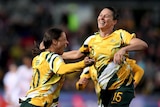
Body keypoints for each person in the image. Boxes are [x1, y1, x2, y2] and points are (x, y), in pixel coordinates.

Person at [62, 7, 148, 107]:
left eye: (106, 16)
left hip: (122, 86)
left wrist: (123, 49)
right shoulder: (91, 40)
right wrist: (56, 53)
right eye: (100, 15)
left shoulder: (120, 35)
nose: (101, 18)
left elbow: (142, 45)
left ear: (114, 21)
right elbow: (77, 54)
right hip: (104, 91)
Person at [19, 27, 94, 107]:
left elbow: (74, 54)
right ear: (55, 41)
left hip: (30, 102)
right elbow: (62, 69)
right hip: (39, 103)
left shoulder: (39, 57)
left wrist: (87, 52)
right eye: (64, 39)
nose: (67, 42)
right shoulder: (53, 57)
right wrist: (83, 64)